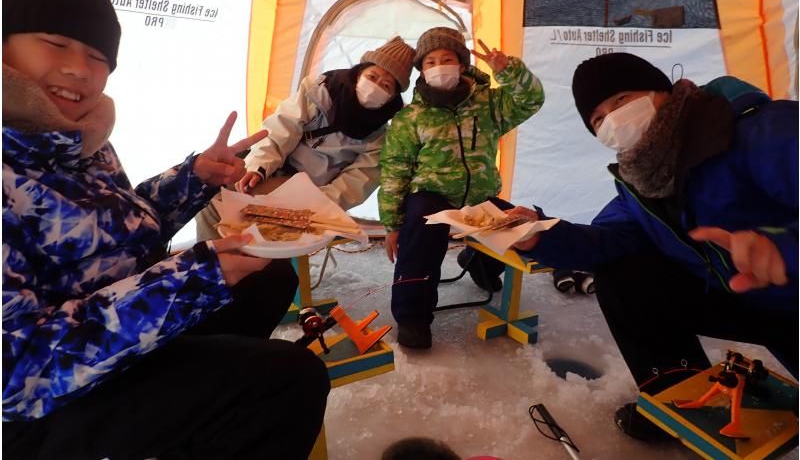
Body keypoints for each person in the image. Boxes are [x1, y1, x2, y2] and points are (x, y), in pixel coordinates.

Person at [2, 0, 329, 460]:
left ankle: (197, 421)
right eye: (55, 42)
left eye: (97, 55)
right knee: (288, 379)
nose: (80, 69)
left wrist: (195, 177)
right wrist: (197, 275)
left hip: (116, 337)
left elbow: (120, 227)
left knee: (270, 279)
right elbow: (21, 373)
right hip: (42, 411)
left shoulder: (73, 140)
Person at [510, 52, 798, 442]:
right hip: (740, 297)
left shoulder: (763, 131)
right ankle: (679, 397)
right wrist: (541, 234)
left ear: (662, 90)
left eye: (621, 99)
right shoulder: (639, 180)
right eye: (597, 119)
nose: (612, 119)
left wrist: (783, 247)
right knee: (623, 274)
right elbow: (608, 240)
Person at [379, 26, 545, 349]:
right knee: (421, 232)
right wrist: (391, 224)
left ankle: (479, 263)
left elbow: (531, 100)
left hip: (481, 196)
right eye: (430, 62)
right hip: (431, 196)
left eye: (446, 58)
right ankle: (412, 316)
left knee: (516, 224)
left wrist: (507, 70)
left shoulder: (489, 104)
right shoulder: (410, 118)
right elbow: (394, 172)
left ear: (462, 63)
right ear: (422, 71)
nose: (438, 66)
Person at [195, 36, 415, 240]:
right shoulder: (318, 91)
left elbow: (355, 184)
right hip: (271, 167)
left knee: (243, 211)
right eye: (372, 76)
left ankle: (230, 267)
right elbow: (281, 130)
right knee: (205, 193)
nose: (374, 87)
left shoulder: (380, 137)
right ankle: (208, 265)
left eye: (386, 85)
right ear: (359, 72)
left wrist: (312, 201)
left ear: (392, 97)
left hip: (310, 189)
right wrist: (259, 167)